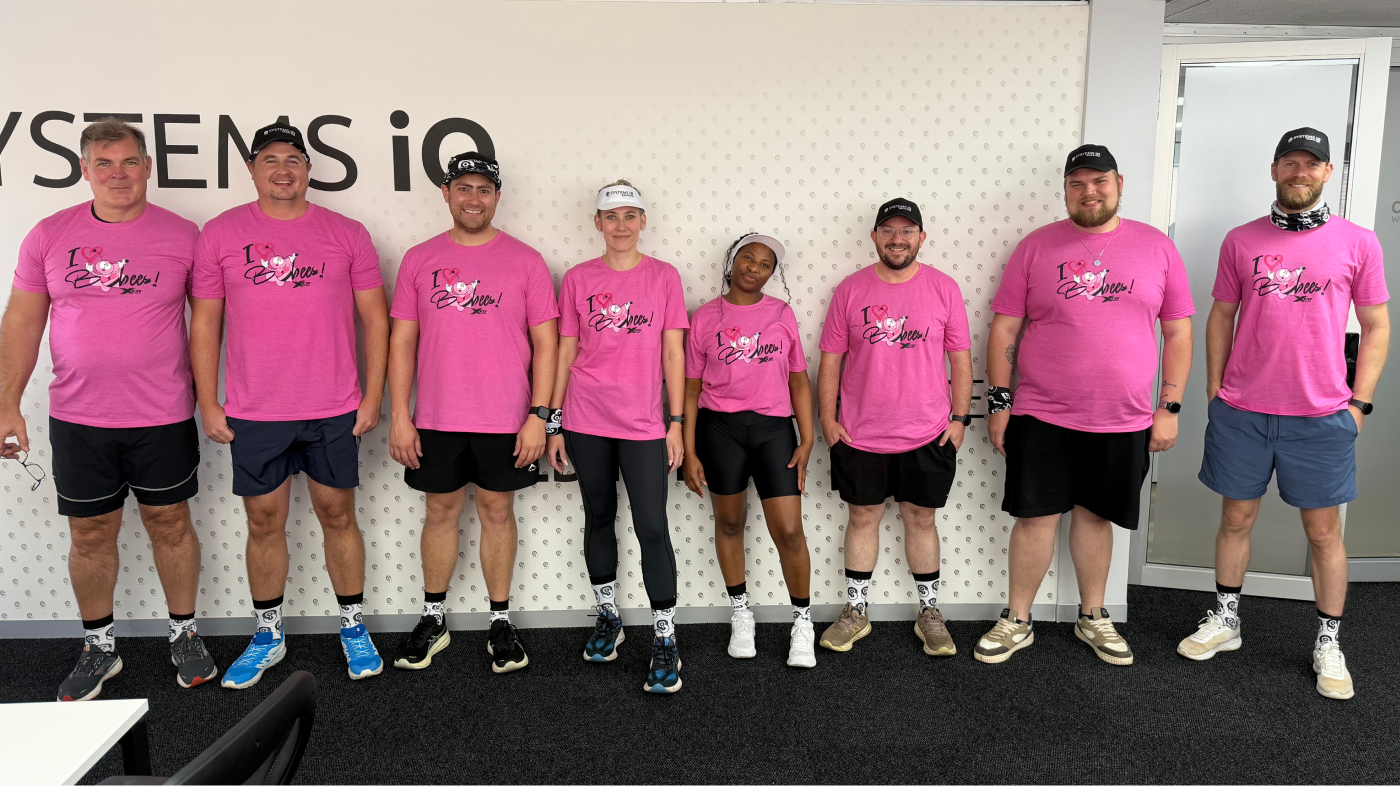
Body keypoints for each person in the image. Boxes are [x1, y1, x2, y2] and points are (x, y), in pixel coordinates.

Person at [0, 118, 216, 700]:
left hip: (163, 415)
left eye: (128, 162)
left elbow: (208, 326)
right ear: (84, 169)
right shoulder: (49, 235)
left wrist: (213, 400)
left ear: (148, 167)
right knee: (90, 532)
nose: (118, 174)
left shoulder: (185, 236)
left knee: (171, 523)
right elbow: (22, 321)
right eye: (104, 163)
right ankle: (99, 647)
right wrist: (5, 404)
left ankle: (185, 634)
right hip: (78, 418)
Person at [1180, 128, 1389, 700]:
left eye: (1311, 163)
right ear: (1274, 170)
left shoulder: (1359, 242)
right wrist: (1215, 389)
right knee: (1235, 519)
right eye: (1290, 162)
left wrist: (1359, 403)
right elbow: (1220, 315)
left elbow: (1377, 326)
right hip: (1243, 412)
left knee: (1323, 533)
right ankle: (1227, 619)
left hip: (1321, 417)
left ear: (1327, 173)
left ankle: (1329, 641)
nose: (1300, 172)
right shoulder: (1241, 240)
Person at [190, 123, 390, 688]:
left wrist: (373, 396)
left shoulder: (347, 233)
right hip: (255, 411)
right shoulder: (220, 234)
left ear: (308, 169)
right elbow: (204, 324)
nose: (283, 170)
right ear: (252, 170)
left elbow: (376, 320)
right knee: (263, 520)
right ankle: (268, 634)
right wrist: (208, 401)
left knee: (338, 515)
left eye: (294, 159)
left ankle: (353, 626)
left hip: (332, 407)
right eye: (271, 160)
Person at [978, 144, 1194, 666]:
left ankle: (1093, 616)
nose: (1089, 191)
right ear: (1066, 189)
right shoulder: (1035, 247)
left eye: (1099, 181)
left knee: (1096, 518)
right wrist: (999, 403)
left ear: (1119, 184)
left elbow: (1178, 332)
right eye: (1078, 183)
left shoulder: (1157, 248)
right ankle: (1017, 619)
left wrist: (1169, 407)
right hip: (1041, 413)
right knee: (1035, 518)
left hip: (1123, 417)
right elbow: (1004, 329)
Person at [387, 152, 558, 673]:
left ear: (497, 197)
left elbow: (547, 344)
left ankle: (500, 622)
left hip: (506, 419)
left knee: (497, 513)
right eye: (463, 188)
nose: (473, 199)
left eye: (484, 189)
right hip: (436, 417)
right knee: (439, 513)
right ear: (446, 193)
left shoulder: (526, 261)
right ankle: (433, 618)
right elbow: (402, 341)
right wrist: (400, 415)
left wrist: (538, 416)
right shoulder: (419, 259)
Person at [545, 180, 689, 693]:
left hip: (644, 423)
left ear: (643, 221)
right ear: (597, 223)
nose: (621, 225)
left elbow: (673, 353)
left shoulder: (664, 277)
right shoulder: (578, 278)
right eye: (611, 216)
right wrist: (554, 422)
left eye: (630, 216)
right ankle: (609, 616)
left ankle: (665, 637)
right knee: (599, 516)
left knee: (652, 526)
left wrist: (676, 422)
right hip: (585, 418)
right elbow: (565, 351)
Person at [816, 198, 972, 657]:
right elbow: (830, 361)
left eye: (907, 231)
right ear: (875, 237)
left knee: (921, 519)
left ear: (921, 238)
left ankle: (930, 613)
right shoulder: (850, 290)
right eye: (888, 230)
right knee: (862, 517)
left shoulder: (943, 288)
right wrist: (827, 419)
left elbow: (961, 360)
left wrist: (960, 419)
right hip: (860, 434)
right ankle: (856, 611)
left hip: (929, 433)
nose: (897, 239)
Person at [681, 233, 816, 668]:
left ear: (772, 274)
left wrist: (808, 438)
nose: (753, 268)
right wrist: (689, 450)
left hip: (774, 430)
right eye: (747, 258)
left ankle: (803, 622)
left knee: (789, 531)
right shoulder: (704, 317)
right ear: (733, 261)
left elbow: (798, 379)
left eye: (764, 264)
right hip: (720, 430)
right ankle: (741, 614)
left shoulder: (781, 313)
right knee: (729, 522)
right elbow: (690, 389)